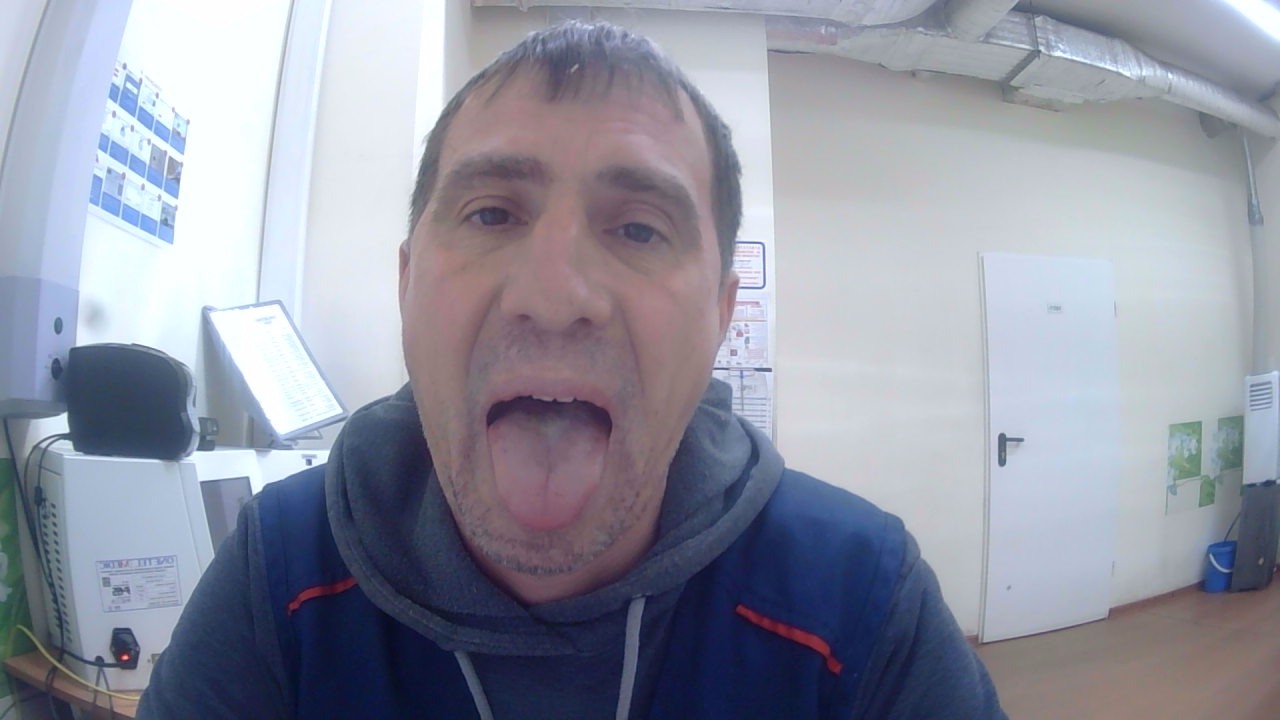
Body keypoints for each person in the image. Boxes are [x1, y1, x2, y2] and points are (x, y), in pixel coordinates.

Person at [138, 20, 1005, 719]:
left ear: (720, 314)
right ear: (406, 284)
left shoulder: (857, 594)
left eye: (639, 229)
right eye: (491, 213)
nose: (554, 297)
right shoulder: (280, 569)